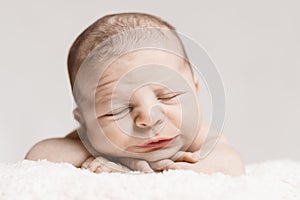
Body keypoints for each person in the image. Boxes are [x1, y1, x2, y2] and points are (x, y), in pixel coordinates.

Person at [25, 12, 245, 176]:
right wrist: (100, 158)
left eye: (167, 97)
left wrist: (192, 169)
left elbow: (231, 162)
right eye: (117, 110)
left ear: (195, 90)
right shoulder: (90, 141)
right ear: (84, 123)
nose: (148, 119)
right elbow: (39, 157)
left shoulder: (195, 136)